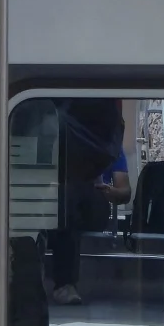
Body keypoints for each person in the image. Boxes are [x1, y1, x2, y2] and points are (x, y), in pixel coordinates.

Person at [50, 98, 128, 307]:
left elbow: (125, 191)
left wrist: (110, 191)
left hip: (93, 201)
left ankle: (65, 283)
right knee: (65, 199)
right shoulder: (55, 139)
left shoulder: (110, 149)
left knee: (69, 199)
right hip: (58, 199)